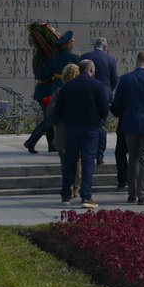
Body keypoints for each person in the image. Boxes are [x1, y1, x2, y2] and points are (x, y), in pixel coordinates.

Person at [51, 59, 110, 208]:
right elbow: (104, 110)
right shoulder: (97, 85)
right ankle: (86, 197)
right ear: (92, 70)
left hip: (71, 129)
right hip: (90, 129)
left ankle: (65, 196)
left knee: (69, 161)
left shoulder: (67, 86)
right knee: (88, 162)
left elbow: (58, 111)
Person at [111, 50, 144, 206]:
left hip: (130, 123)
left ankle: (131, 194)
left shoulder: (125, 79)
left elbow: (117, 102)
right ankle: (142, 195)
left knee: (133, 158)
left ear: (136, 61)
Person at [26, 30, 78, 154]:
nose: (73, 44)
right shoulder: (73, 57)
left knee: (50, 114)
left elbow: (45, 75)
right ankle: (31, 141)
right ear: (67, 43)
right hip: (67, 87)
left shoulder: (53, 57)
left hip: (54, 88)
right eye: (72, 42)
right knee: (50, 118)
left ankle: (52, 145)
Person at [79, 37, 119, 164]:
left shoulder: (84, 56)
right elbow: (114, 79)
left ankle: (85, 151)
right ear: (105, 48)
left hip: (85, 93)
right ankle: (100, 155)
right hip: (105, 94)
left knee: (85, 121)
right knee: (102, 124)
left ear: (94, 45)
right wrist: (107, 90)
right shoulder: (110, 59)